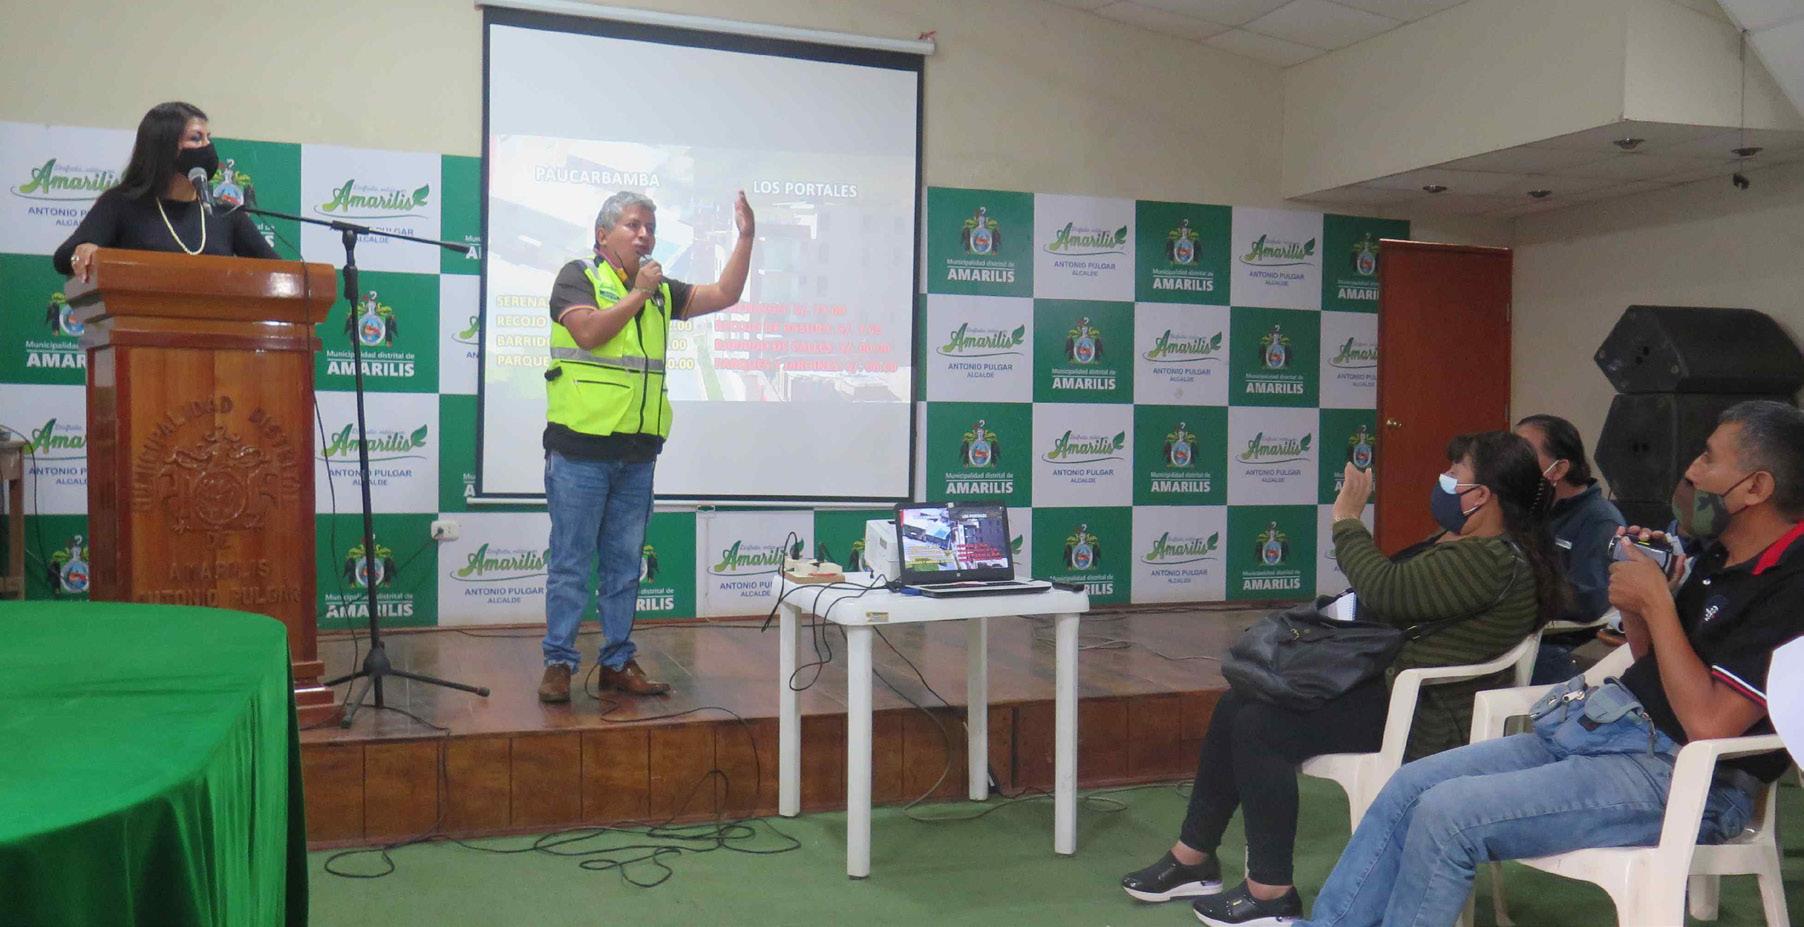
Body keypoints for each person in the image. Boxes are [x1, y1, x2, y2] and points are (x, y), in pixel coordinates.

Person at [1297, 400, 1804, 927]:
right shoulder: (1719, 555)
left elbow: (1709, 724)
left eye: (1709, 458)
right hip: (1606, 729)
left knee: (1447, 816)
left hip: (1687, 778)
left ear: (1756, 487)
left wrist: (1657, 603)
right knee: (1409, 787)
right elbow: (1657, 667)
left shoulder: (1791, 585)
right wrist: (1638, 608)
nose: (1692, 470)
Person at [1122, 431, 1563, 926]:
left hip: (1424, 713)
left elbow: (1386, 590)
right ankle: (1193, 857)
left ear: (1480, 495)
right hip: (1392, 690)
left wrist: (1347, 518)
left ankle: (1270, 892)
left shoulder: (1491, 559)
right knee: (1237, 702)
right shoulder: (1482, 548)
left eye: (1454, 473)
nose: (1443, 480)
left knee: (1260, 726)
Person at [537, 190, 754, 702]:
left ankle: (616, 661)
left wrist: (745, 238)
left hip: (636, 456)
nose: (645, 235)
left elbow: (725, 294)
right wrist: (637, 293)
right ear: (602, 234)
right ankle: (559, 663)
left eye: (650, 228)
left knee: (623, 567)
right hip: (579, 453)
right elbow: (588, 333)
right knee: (570, 565)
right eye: (633, 225)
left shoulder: (659, 293)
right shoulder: (578, 277)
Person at [53, 102, 277, 280]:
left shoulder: (225, 214)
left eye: (208, 138)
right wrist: (85, 249)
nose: (207, 146)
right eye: (196, 138)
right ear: (164, 147)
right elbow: (63, 258)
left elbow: (278, 271)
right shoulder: (121, 204)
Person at [1515, 414, 1625, 682]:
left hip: (1558, 644)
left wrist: (1517, 595)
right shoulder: (1529, 509)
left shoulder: (1599, 520)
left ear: (1559, 469)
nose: (1513, 463)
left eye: (1524, 454)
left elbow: (1588, 599)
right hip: (1517, 632)